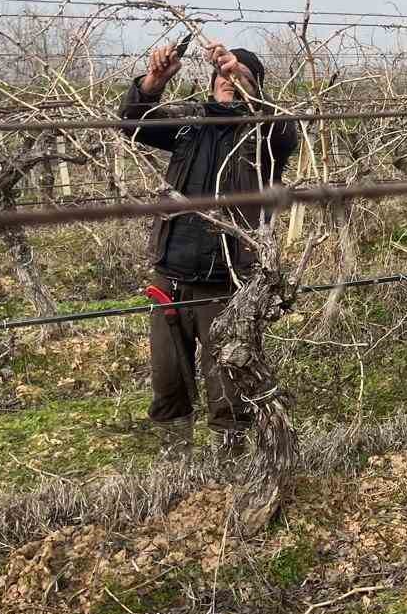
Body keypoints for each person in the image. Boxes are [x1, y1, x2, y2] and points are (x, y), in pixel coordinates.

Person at [121, 37, 297, 459]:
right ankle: (176, 461)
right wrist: (152, 82)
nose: (229, 81)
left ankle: (228, 459)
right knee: (167, 378)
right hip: (171, 273)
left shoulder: (265, 133)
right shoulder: (189, 121)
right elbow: (132, 123)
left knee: (226, 381)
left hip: (226, 278)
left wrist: (245, 80)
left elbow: (281, 128)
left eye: (240, 77)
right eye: (223, 75)